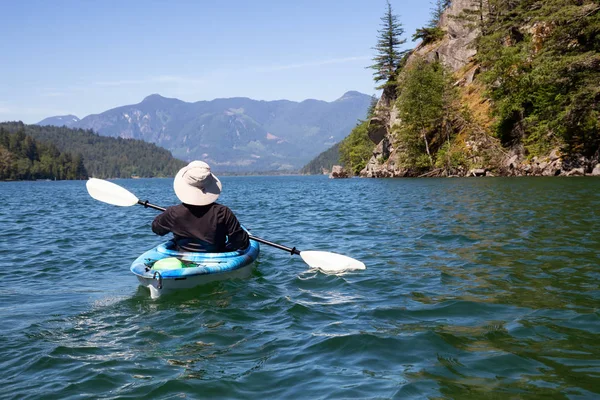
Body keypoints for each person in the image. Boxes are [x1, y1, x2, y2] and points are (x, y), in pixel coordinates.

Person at [152, 161, 249, 252]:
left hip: (183, 259)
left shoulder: (173, 212)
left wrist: (169, 218)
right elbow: (240, 242)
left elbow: (157, 229)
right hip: (217, 258)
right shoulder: (223, 212)